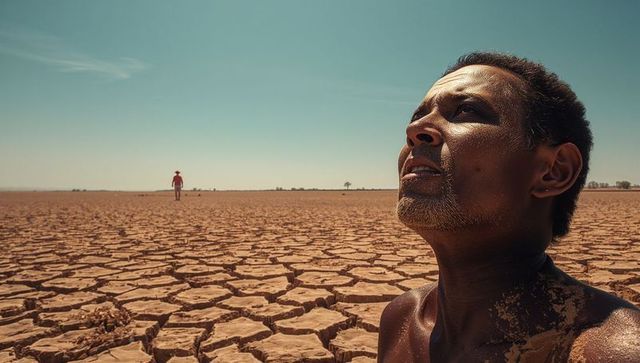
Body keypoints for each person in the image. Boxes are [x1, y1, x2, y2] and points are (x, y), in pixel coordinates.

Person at [378, 52, 640, 362]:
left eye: (465, 110)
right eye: (415, 117)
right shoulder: (401, 317)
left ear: (554, 171)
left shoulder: (607, 350)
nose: (415, 130)